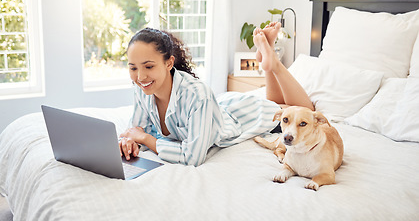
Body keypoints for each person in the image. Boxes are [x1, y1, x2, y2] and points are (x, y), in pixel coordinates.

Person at [118, 23, 314, 166]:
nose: (140, 76)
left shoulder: (197, 95)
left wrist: (145, 139)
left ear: (169, 63)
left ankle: (274, 65)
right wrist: (128, 142)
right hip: (222, 107)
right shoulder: (142, 88)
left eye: (149, 66)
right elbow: (135, 129)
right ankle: (269, 56)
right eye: (133, 68)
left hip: (241, 118)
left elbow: (193, 157)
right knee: (276, 103)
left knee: (305, 111)